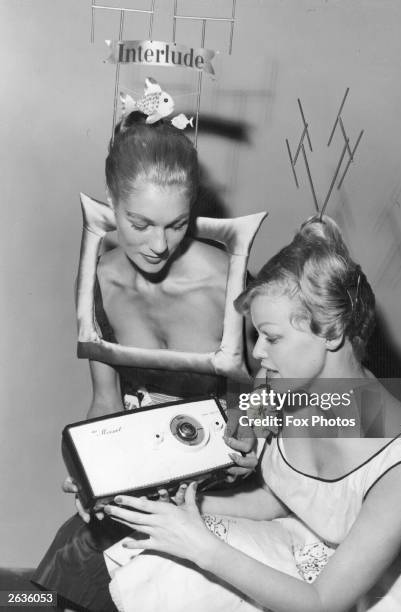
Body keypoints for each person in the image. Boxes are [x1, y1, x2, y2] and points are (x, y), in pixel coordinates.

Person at [101, 215, 401, 612]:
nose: (258, 352)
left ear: (332, 332)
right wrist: (168, 503)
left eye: (272, 337)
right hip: (302, 546)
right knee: (164, 565)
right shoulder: (278, 385)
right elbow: (278, 497)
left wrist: (200, 545)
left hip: (369, 594)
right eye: (258, 334)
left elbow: (323, 602)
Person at [32, 110, 257, 612]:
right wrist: (96, 468)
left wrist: (249, 441)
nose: (159, 245)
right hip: (142, 469)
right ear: (112, 204)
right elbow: (105, 402)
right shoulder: (95, 280)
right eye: (140, 224)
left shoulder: (229, 284)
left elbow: (260, 399)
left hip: (223, 476)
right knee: (54, 588)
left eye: (177, 225)